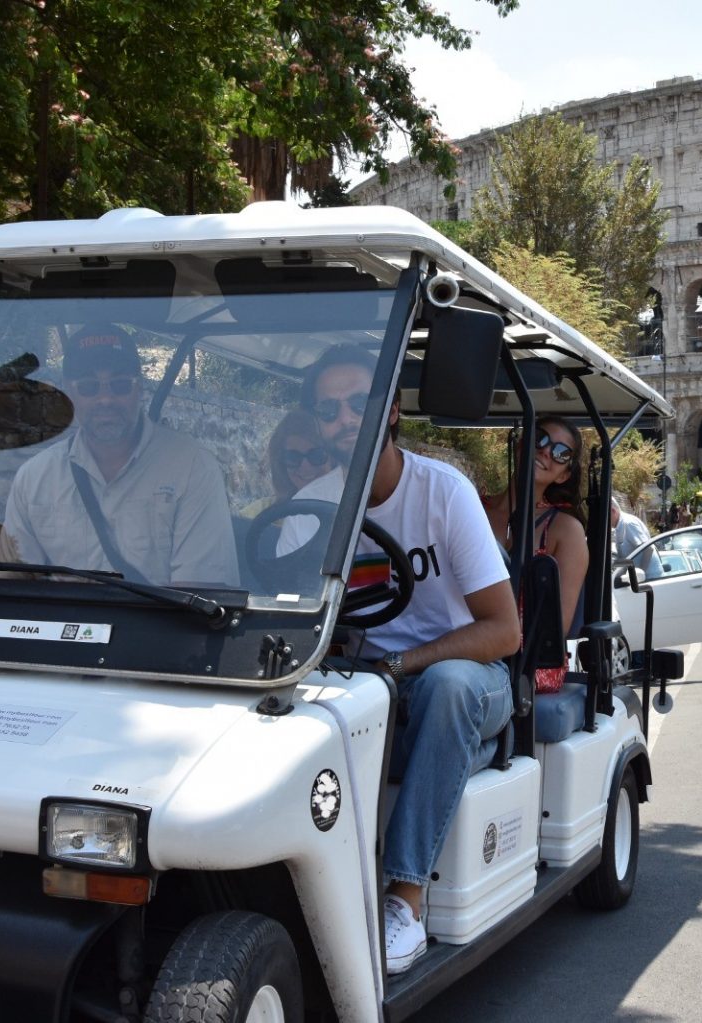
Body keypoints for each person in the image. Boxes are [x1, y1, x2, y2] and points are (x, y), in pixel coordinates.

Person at [277, 346, 518, 975]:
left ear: (392, 407)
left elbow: (504, 630)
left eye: (360, 402)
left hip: (464, 678)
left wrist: (402, 664)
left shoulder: (444, 492)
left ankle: (403, 900)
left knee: (448, 688)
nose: (344, 419)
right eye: (329, 410)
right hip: (363, 687)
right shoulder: (311, 508)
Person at [0, 324, 238, 587]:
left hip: (155, 626)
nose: (105, 399)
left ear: (139, 388)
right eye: (90, 387)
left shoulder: (193, 468)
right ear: (69, 392)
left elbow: (200, 592)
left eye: (120, 386)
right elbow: (10, 584)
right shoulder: (34, 477)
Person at [481, 416, 589, 692]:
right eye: (539, 439)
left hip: (528, 664)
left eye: (560, 452)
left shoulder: (565, 530)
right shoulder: (472, 507)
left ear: (564, 474)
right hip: (462, 642)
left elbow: (555, 628)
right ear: (520, 446)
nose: (545, 451)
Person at [240, 409, 329, 519]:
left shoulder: (352, 515)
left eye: (316, 455)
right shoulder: (258, 513)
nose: (305, 466)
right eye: (293, 457)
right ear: (281, 463)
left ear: (333, 458)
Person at [610, 495, 652, 561]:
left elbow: (648, 548)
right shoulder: (619, 526)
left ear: (613, 511)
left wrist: (641, 570)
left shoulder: (628, 523)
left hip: (648, 571)